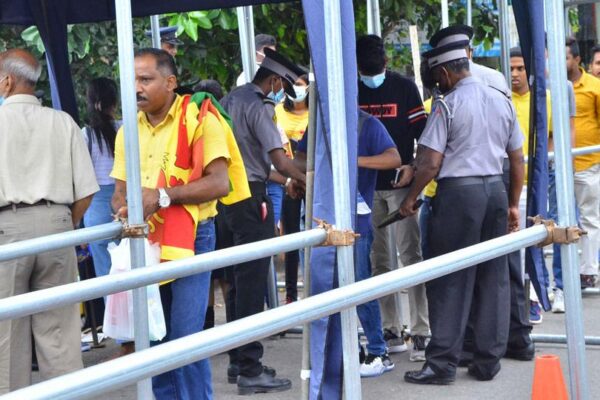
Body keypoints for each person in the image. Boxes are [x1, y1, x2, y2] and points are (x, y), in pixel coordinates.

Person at [399, 31, 524, 384]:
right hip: (495, 192)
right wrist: (513, 204)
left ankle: (441, 364)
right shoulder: (502, 99)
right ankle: (486, 361)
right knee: (493, 277)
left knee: (451, 279)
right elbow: (517, 160)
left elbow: (429, 163)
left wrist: (411, 199)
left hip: (459, 196)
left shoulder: (446, 104)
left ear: (445, 72)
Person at [111, 48, 231, 399]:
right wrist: (122, 207)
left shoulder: (198, 118)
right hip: (145, 238)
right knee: (154, 335)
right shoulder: (127, 130)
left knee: (184, 337)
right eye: (132, 80)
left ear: (171, 81)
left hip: (193, 234)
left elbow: (220, 182)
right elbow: (119, 191)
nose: (137, 88)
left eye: (145, 79)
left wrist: (163, 197)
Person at [0, 49, 99, 393]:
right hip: (57, 225)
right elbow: (86, 191)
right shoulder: (63, 122)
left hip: (6, 230)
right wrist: (63, 223)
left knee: (6, 334)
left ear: (7, 81)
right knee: (60, 333)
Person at [218, 48, 306, 395]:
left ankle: (238, 361)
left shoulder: (229, 100)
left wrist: (287, 181)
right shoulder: (259, 107)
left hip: (226, 198)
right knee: (253, 283)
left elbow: (259, 165)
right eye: (282, 86)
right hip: (251, 201)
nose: (282, 93)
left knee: (237, 285)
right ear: (273, 81)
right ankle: (251, 369)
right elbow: (280, 162)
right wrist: (307, 181)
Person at [356, 34, 429, 361]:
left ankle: (421, 330)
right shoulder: (353, 90)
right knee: (379, 262)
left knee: (411, 257)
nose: (371, 77)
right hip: (368, 190)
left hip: (402, 188)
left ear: (386, 63)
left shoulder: (404, 88)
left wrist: (413, 167)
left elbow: (424, 137)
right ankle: (390, 327)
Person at [566, 37, 600, 289]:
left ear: (577, 60)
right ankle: (564, 273)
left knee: (589, 217)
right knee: (560, 221)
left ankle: (588, 270)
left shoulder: (594, 87)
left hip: (588, 163)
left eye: (565, 57)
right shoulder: (551, 86)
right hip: (561, 166)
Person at [82, 78, 120, 281]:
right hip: (126, 205)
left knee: (106, 275)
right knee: (132, 266)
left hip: (95, 207)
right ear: (114, 103)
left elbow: (81, 180)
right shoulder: (126, 129)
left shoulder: (86, 135)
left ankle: (113, 312)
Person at [276, 74, 309, 303]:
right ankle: (290, 294)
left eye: (299, 85)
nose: (295, 89)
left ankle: (314, 288)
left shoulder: (314, 111)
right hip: (288, 181)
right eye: (291, 85)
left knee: (314, 234)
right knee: (291, 237)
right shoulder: (278, 111)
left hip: (311, 179)